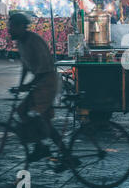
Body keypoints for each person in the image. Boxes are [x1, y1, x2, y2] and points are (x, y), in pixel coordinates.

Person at [8, 13, 78, 171]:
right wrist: (21, 86)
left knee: (36, 115)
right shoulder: (21, 42)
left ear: (21, 27)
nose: (9, 30)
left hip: (47, 82)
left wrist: (26, 86)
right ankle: (51, 150)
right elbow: (26, 66)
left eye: (12, 27)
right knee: (23, 112)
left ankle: (45, 147)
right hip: (39, 83)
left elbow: (44, 69)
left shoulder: (34, 41)